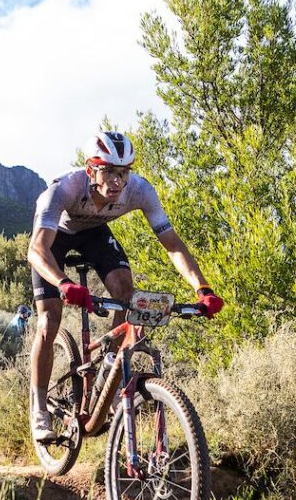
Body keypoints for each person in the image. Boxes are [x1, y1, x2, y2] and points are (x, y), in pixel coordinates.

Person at [26, 131, 224, 442]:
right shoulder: (64, 189)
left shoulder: (141, 191)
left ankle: (109, 370)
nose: (117, 181)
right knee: (49, 321)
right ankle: (39, 409)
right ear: (92, 170)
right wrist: (63, 284)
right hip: (56, 239)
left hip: (94, 233)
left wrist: (202, 288)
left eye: (123, 172)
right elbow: (37, 250)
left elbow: (172, 245)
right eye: (109, 171)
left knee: (127, 296)